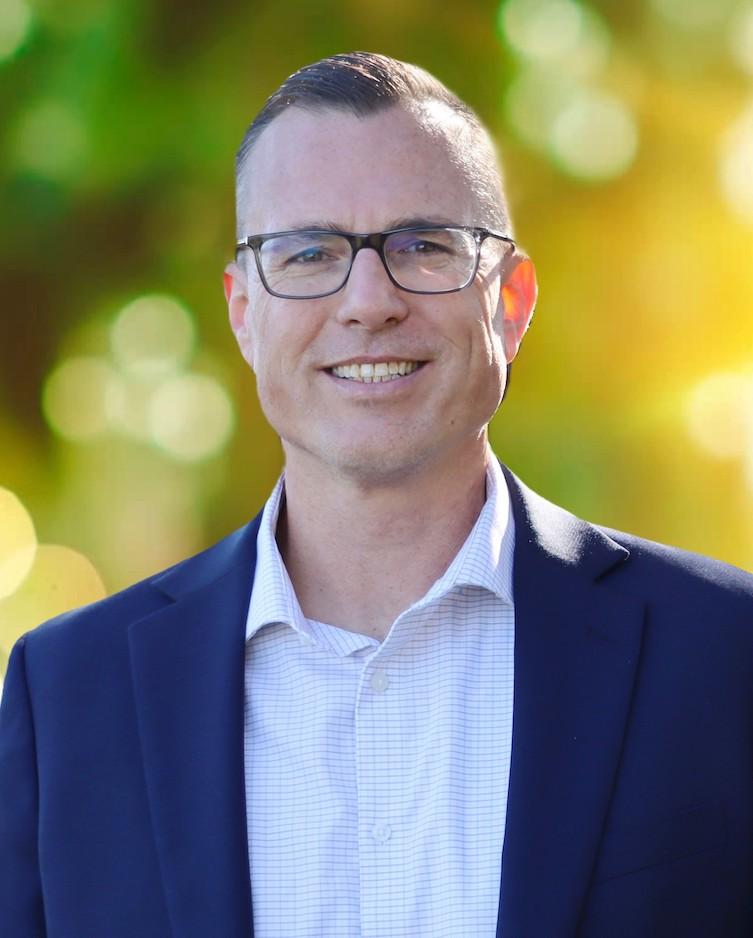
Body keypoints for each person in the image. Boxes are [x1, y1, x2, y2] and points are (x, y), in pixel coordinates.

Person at [1, 51, 752, 938]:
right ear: (244, 311)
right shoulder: (68, 696)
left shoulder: (723, 656)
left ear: (509, 300)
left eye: (423, 246)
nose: (368, 301)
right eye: (309, 252)